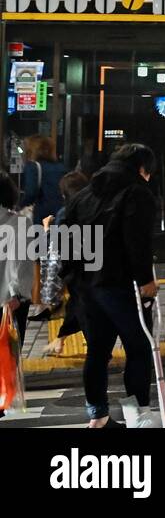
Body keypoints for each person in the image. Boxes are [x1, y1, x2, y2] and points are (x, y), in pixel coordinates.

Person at [62, 143, 159, 428]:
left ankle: (98, 417)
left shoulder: (85, 195)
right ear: (142, 169)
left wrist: (73, 280)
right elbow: (137, 242)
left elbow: (65, 237)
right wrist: (146, 281)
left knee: (98, 350)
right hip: (121, 285)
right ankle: (138, 413)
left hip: (87, 287)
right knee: (139, 347)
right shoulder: (137, 193)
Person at [46, 152, 106, 356]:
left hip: (76, 269)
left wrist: (47, 229)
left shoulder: (65, 213)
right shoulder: (95, 206)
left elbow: (56, 247)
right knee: (79, 306)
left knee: (82, 308)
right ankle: (61, 341)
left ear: (64, 194)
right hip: (94, 266)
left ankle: (98, 353)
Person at [0, 173, 34, 408]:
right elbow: (21, 264)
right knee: (5, 359)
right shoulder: (20, 224)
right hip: (8, 303)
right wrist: (17, 295)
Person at [21, 135, 67, 226]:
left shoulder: (32, 167)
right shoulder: (61, 168)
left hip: (41, 214)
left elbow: (30, 193)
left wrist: (20, 205)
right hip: (60, 214)